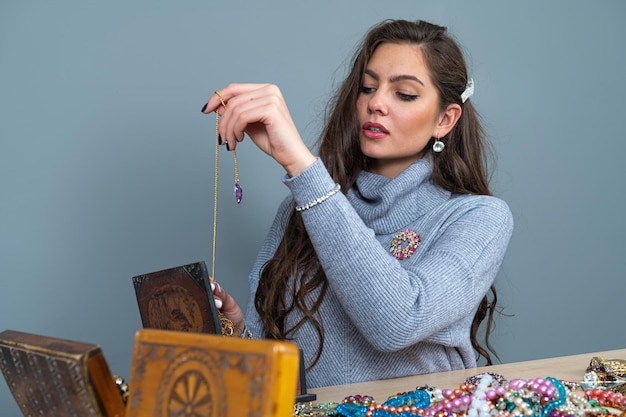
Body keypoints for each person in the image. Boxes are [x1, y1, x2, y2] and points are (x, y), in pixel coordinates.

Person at [201, 19, 513, 388]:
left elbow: (397, 322)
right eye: (367, 87)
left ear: (445, 119)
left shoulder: (478, 218)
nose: (375, 103)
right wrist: (236, 327)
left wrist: (301, 165)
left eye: (405, 94)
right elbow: (265, 377)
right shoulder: (301, 209)